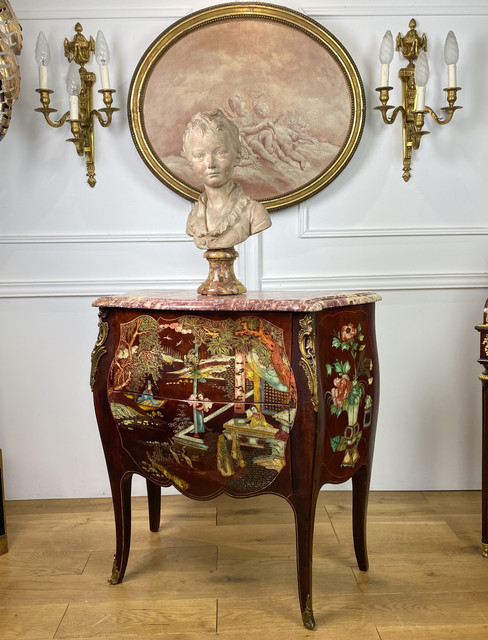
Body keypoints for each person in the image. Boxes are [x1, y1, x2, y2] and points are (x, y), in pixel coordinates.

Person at [183, 109, 271, 250]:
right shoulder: (193, 220)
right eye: (200, 155)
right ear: (190, 162)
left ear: (237, 155)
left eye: (220, 153)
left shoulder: (254, 213)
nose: (211, 164)